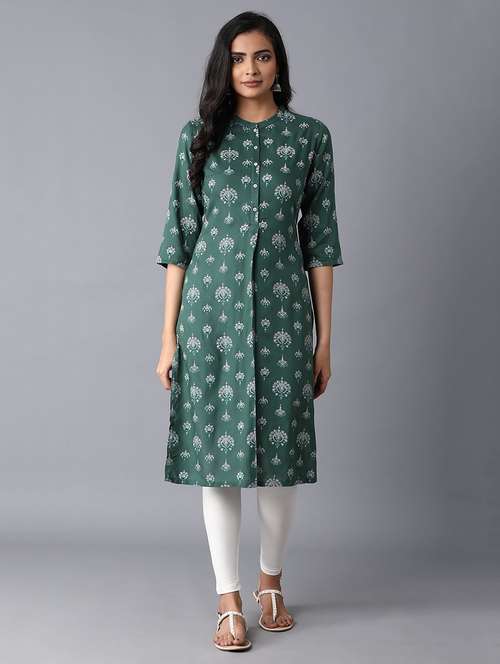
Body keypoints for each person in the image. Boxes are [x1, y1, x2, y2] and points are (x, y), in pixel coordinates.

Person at [155, 10, 343, 651]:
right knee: (217, 455)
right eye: (238, 58)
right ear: (223, 66)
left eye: (262, 56)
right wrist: (167, 338)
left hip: (285, 320)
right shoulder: (198, 138)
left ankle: (270, 583)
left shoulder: (309, 138)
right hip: (210, 319)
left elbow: (321, 246)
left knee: (280, 460)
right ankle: (228, 598)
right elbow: (179, 242)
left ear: (278, 63)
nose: (251, 69)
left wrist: (325, 340)